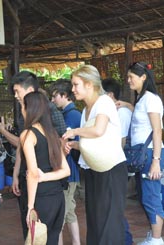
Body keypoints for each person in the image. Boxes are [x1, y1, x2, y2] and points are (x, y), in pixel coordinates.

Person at [0, 70, 67, 239]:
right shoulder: (24, 116)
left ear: (30, 90)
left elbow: (61, 140)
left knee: (37, 234)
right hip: (39, 182)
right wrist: (16, 172)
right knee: (43, 235)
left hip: (42, 182)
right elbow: (22, 145)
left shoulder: (48, 109)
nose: (16, 96)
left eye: (17, 91)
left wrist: (31, 205)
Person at [62, 65, 127, 245]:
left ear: (89, 84)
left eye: (76, 85)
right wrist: (73, 144)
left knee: (109, 225)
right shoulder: (85, 110)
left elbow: (98, 130)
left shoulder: (104, 102)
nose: (72, 89)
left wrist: (73, 131)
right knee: (96, 222)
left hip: (112, 170)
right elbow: (91, 142)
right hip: (93, 169)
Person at [116, 62, 164, 245]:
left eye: (131, 77)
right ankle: (154, 235)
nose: (128, 81)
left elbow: (157, 130)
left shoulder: (151, 99)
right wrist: (128, 105)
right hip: (144, 154)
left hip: (151, 154)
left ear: (143, 77)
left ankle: (157, 239)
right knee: (147, 195)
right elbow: (142, 122)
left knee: (151, 196)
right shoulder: (142, 99)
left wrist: (156, 161)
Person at [20, 91, 70, 244]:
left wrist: (30, 207)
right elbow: (65, 170)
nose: (22, 110)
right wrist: (46, 176)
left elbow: (33, 174)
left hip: (41, 200)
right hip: (57, 198)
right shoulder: (52, 133)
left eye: (23, 106)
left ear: (30, 109)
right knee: (52, 240)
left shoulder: (28, 135)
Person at [102, 78, 134, 245]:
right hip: (116, 162)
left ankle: (125, 239)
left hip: (118, 163)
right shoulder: (117, 111)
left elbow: (120, 143)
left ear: (110, 94)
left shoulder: (121, 113)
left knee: (115, 205)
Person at [50, 79, 81, 245]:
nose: (53, 100)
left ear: (65, 95)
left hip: (68, 172)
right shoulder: (64, 114)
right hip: (68, 171)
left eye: (55, 96)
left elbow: (65, 144)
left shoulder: (73, 116)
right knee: (69, 212)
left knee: (61, 214)